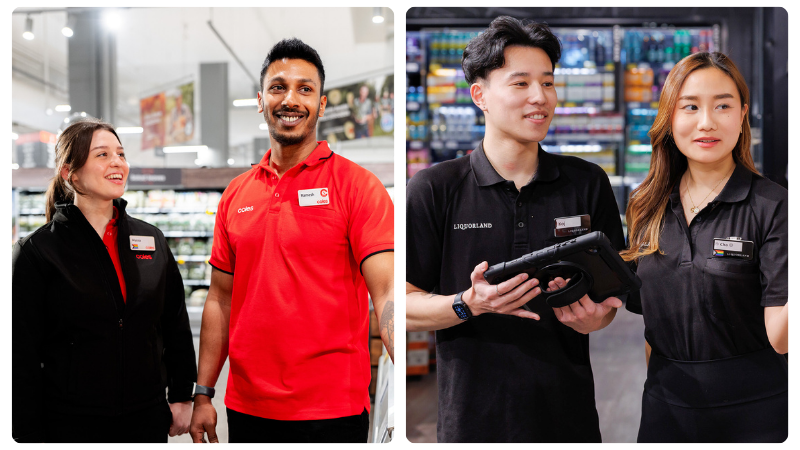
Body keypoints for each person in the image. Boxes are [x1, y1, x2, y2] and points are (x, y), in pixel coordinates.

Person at [404, 16, 624, 443]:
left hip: (569, 420)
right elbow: (402, 306)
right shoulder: (434, 188)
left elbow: (608, 300)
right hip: (472, 422)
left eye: (548, 82)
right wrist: (469, 303)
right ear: (479, 95)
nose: (540, 98)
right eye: (521, 84)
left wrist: (595, 320)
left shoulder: (587, 182)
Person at [188, 38, 396, 444]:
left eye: (305, 88)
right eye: (279, 87)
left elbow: (386, 290)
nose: (291, 99)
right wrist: (203, 393)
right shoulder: (235, 194)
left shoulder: (357, 186)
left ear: (320, 104)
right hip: (247, 405)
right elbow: (219, 299)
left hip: (333, 407)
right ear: (261, 100)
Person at [621, 52, 789, 443]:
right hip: (665, 408)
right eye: (690, 106)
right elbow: (653, 325)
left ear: (743, 113)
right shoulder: (646, 205)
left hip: (757, 411)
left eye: (723, 106)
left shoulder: (772, 204)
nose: (706, 122)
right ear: (670, 116)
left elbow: (780, 337)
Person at [11, 118, 197, 443]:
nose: (117, 163)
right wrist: (27, 431)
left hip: (145, 418)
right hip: (71, 422)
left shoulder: (150, 239)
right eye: (102, 154)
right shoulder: (37, 252)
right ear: (71, 173)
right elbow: (20, 354)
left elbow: (174, 324)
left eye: (121, 154)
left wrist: (182, 395)